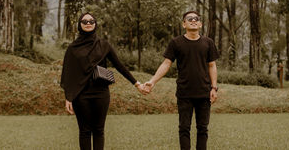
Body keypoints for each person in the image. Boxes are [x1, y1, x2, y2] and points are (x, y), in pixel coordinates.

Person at [60, 12, 146, 150]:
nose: (88, 23)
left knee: (99, 130)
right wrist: (68, 97)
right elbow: (68, 74)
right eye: (85, 21)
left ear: (95, 24)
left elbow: (119, 66)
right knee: (85, 131)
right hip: (80, 95)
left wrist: (136, 83)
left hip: (101, 93)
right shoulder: (72, 48)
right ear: (79, 25)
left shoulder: (103, 45)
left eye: (91, 21)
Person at [144, 10, 219, 150]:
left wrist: (214, 88)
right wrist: (152, 81)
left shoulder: (208, 42)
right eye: (189, 19)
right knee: (184, 128)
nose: (193, 20)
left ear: (201, 24)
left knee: (203, 129)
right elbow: (166, 64)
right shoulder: (176, 42)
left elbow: (212, 65)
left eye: (196, 18)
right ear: (184, 24)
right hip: (184, 93)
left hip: (204, 93)